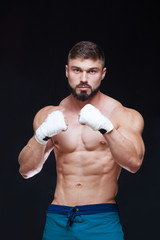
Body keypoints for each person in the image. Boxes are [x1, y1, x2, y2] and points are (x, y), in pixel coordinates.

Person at [18, 41, 145, 240]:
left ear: (103, 73)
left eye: (92, 71)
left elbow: (134, 163)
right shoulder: (49, 115)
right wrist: (41, 136)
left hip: (101, 219)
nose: (83, 78)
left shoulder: (122, 115)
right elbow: (26, 170)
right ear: (67, 71)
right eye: (77, 70)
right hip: (58, 219)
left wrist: (106, 128)